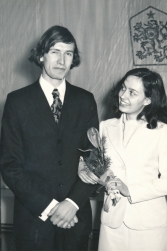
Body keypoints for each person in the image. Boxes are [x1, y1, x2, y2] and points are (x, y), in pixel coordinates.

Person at [0, 25, 99, 251]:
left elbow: (94, 159)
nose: (61, 60)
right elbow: (10, 166)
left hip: (76, 218)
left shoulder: (85, 100)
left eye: (68, 53)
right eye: (55, 51)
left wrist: (72, 203)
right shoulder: (17, 102)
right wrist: (53, 207)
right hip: (34, 221)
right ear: (42, 54)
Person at [78, 68, 167, 251]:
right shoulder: (105, 127)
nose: (123, 95)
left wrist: (129, 190)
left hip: (149, 224)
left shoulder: (163, 132)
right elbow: (97, 167)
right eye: (123, 88)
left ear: (147, 100)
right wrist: (98, 176)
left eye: (132, 93)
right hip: (112, 222)